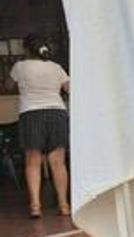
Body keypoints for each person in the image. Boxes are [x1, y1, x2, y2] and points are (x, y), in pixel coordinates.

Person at [9, 34, 70, 218]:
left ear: (26, 49)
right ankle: (64, 205)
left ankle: (35, 206)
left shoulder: (20, 67)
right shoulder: (56, 67)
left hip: (31, 114)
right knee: (58, 162)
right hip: (56, 113)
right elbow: (70, 89)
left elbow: (8, 84)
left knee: (32, 162)